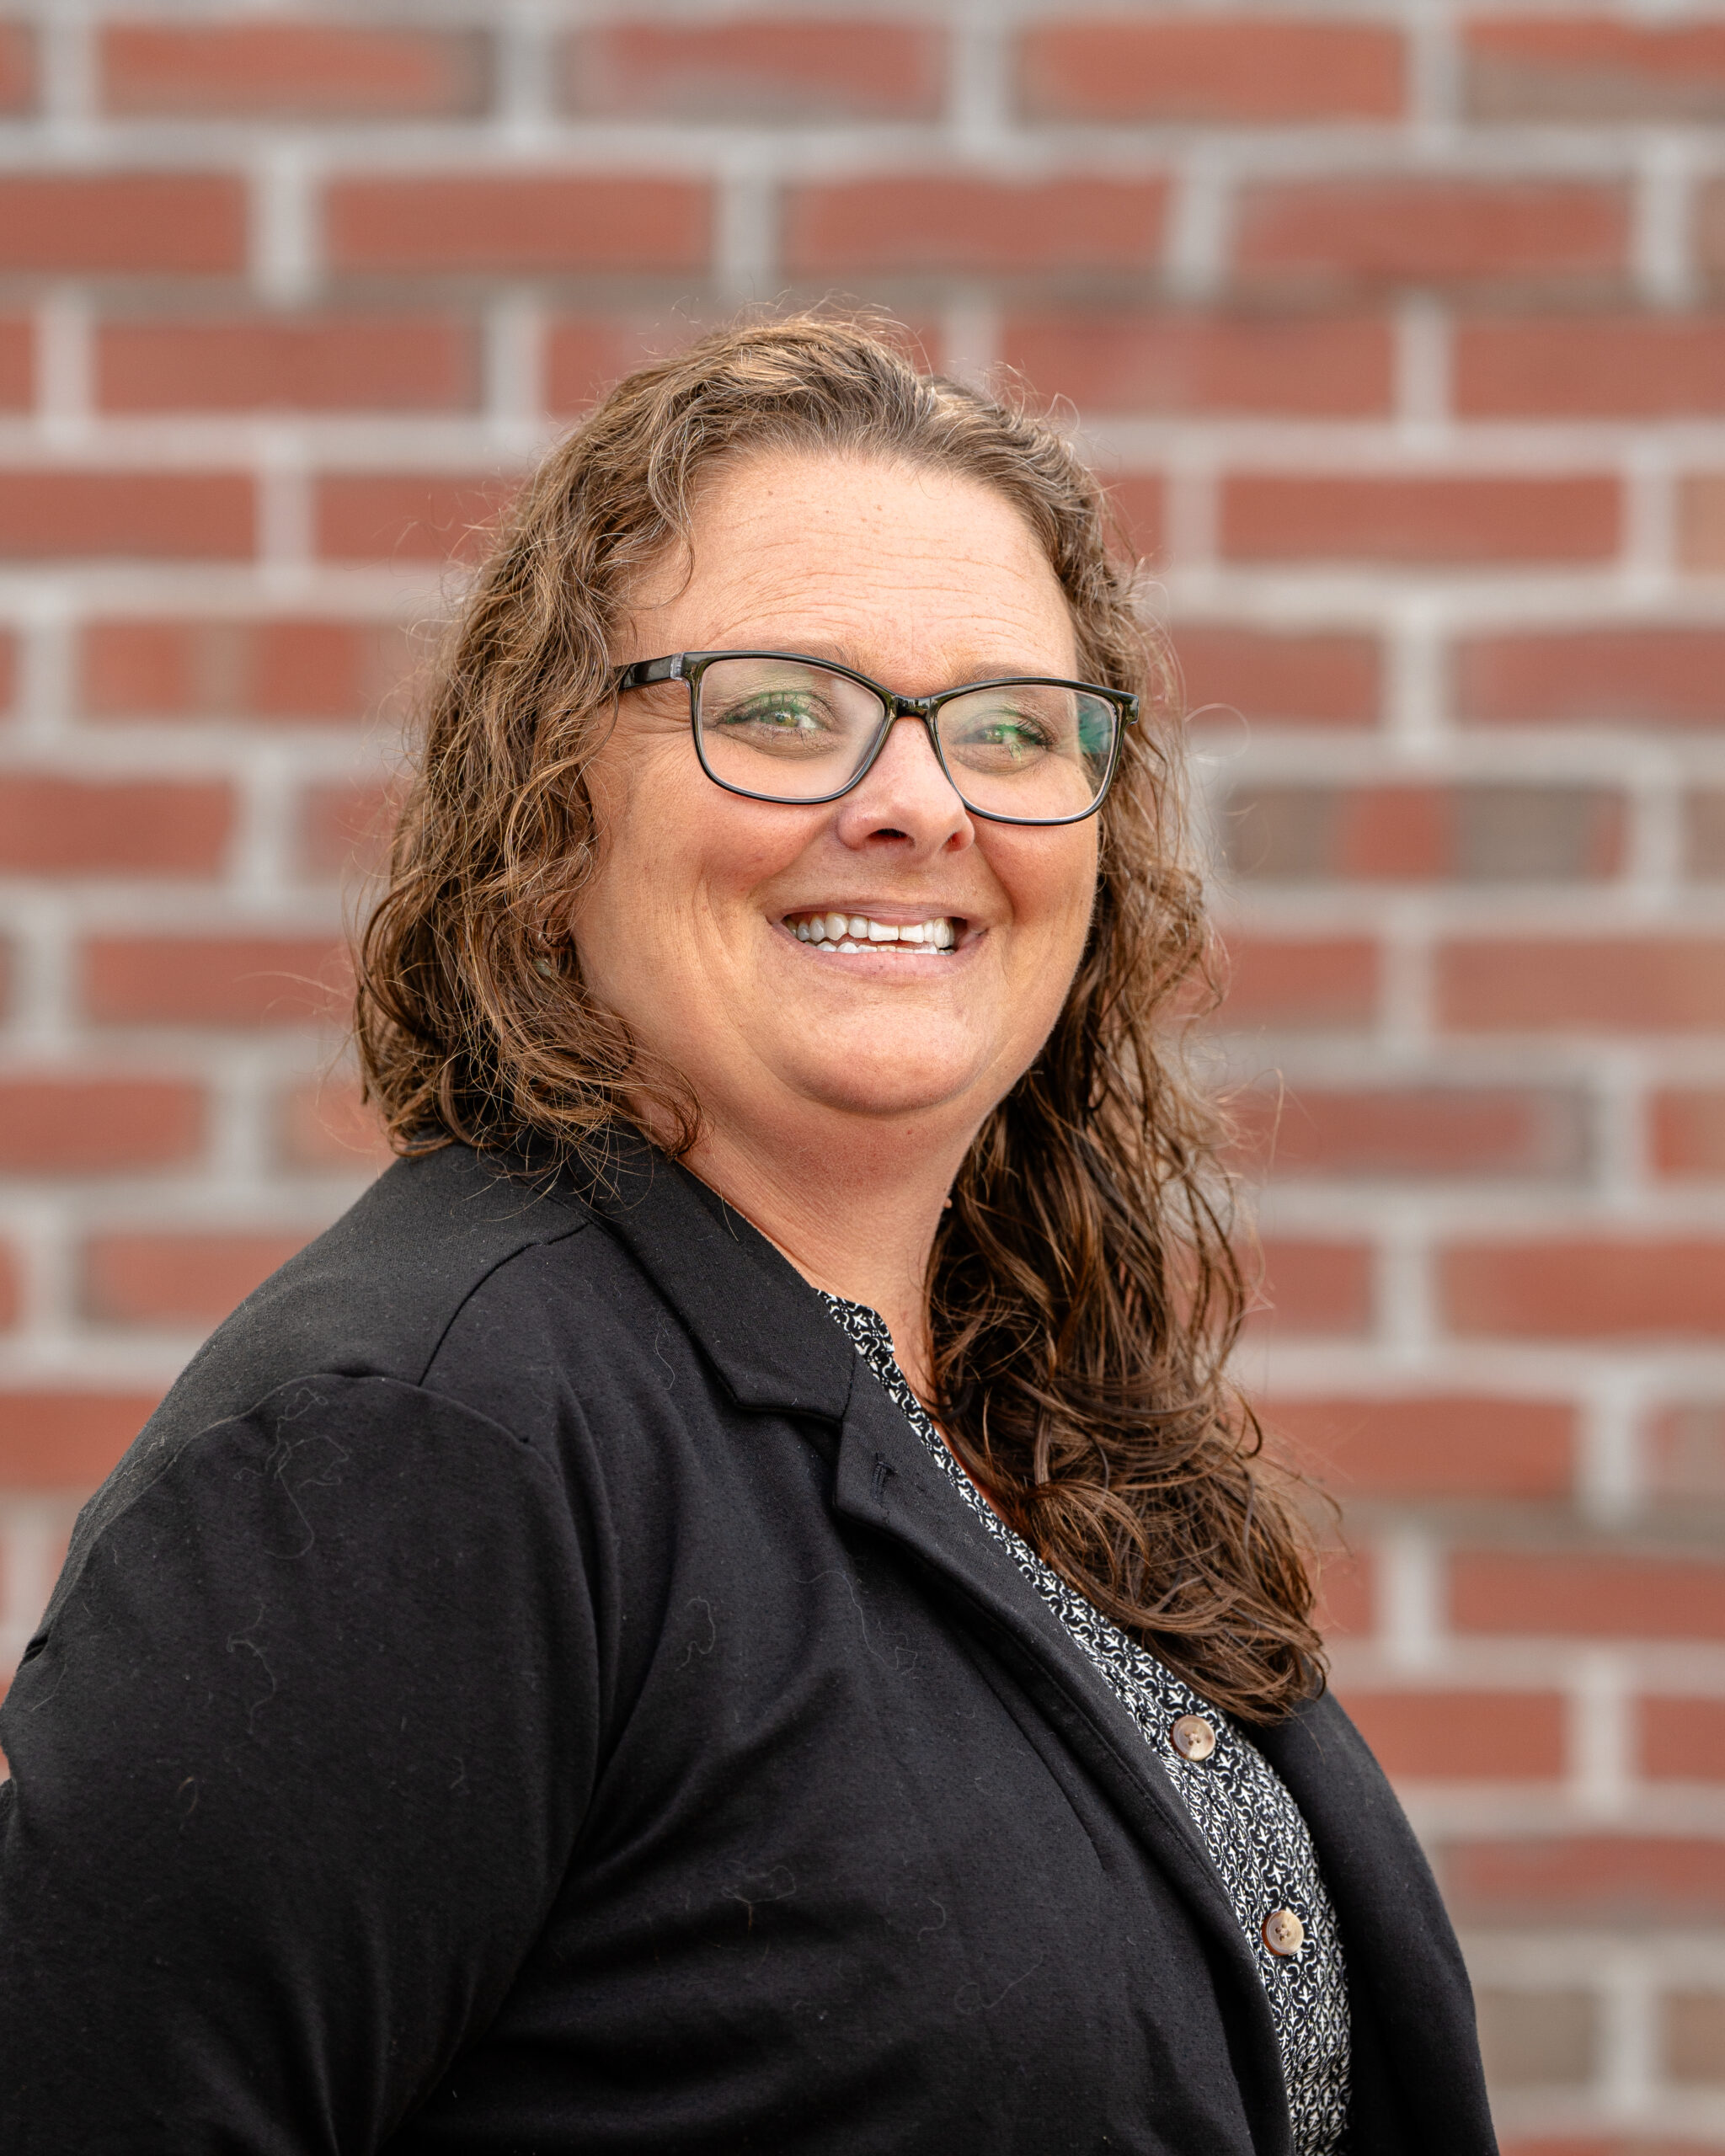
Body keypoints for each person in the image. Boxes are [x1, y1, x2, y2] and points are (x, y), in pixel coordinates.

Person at [0, 316, 1495, 2154]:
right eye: (782, 707)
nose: (916, 802)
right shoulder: (413, 1444)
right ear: (553, 801)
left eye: (1011, 727)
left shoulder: (1036, 1423)